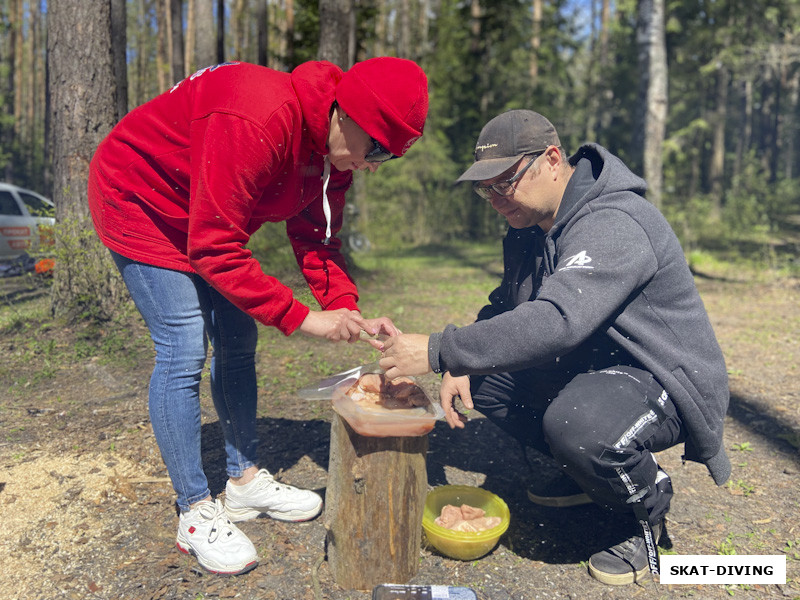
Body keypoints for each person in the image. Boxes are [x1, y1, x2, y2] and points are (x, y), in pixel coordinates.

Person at [88, 57, 428, 575]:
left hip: (205, 216)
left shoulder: (333, 158)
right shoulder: (258, 116)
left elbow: (317, 238)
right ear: (349, 113)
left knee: (238, 338)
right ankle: (194, 509)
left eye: (392, 156)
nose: (376, 164)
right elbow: (214, 248)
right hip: (141, 200)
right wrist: (305, 319)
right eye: (377, 148)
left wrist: (343, 307)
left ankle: (243, 481)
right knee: (183, 346)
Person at [378, 109, 730, 585]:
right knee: (485, 380)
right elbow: (509, 303)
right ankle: (585, 476)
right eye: (486, 189)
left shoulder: (615, 220)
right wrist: (460, 362)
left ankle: (644, 510)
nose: (497, 199)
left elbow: (559, 320)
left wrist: (442, 349)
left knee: (579, 424)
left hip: (661, 374)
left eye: (506, 182)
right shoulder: (528, 226)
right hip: (594, 366)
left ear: (551, 158)